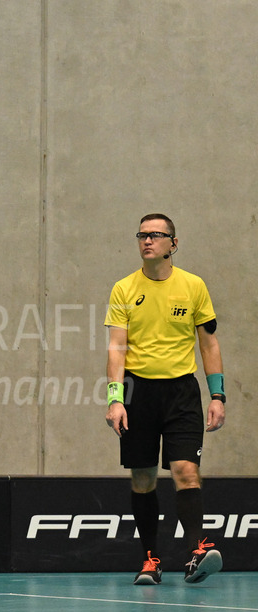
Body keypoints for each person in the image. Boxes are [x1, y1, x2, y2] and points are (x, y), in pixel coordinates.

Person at [104, 213, 226, 586]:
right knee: (143, 479)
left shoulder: (193, 287)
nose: (147, 240)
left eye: (156, 235)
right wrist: (115, 398)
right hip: (138, 391)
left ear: (173, 243)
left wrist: (217, 394)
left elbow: (208, 342)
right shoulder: (124, 289)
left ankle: (197, 551)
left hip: (181, 392)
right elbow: (116, 347)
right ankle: (150, 559)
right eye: (142, 235)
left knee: (185, 470)